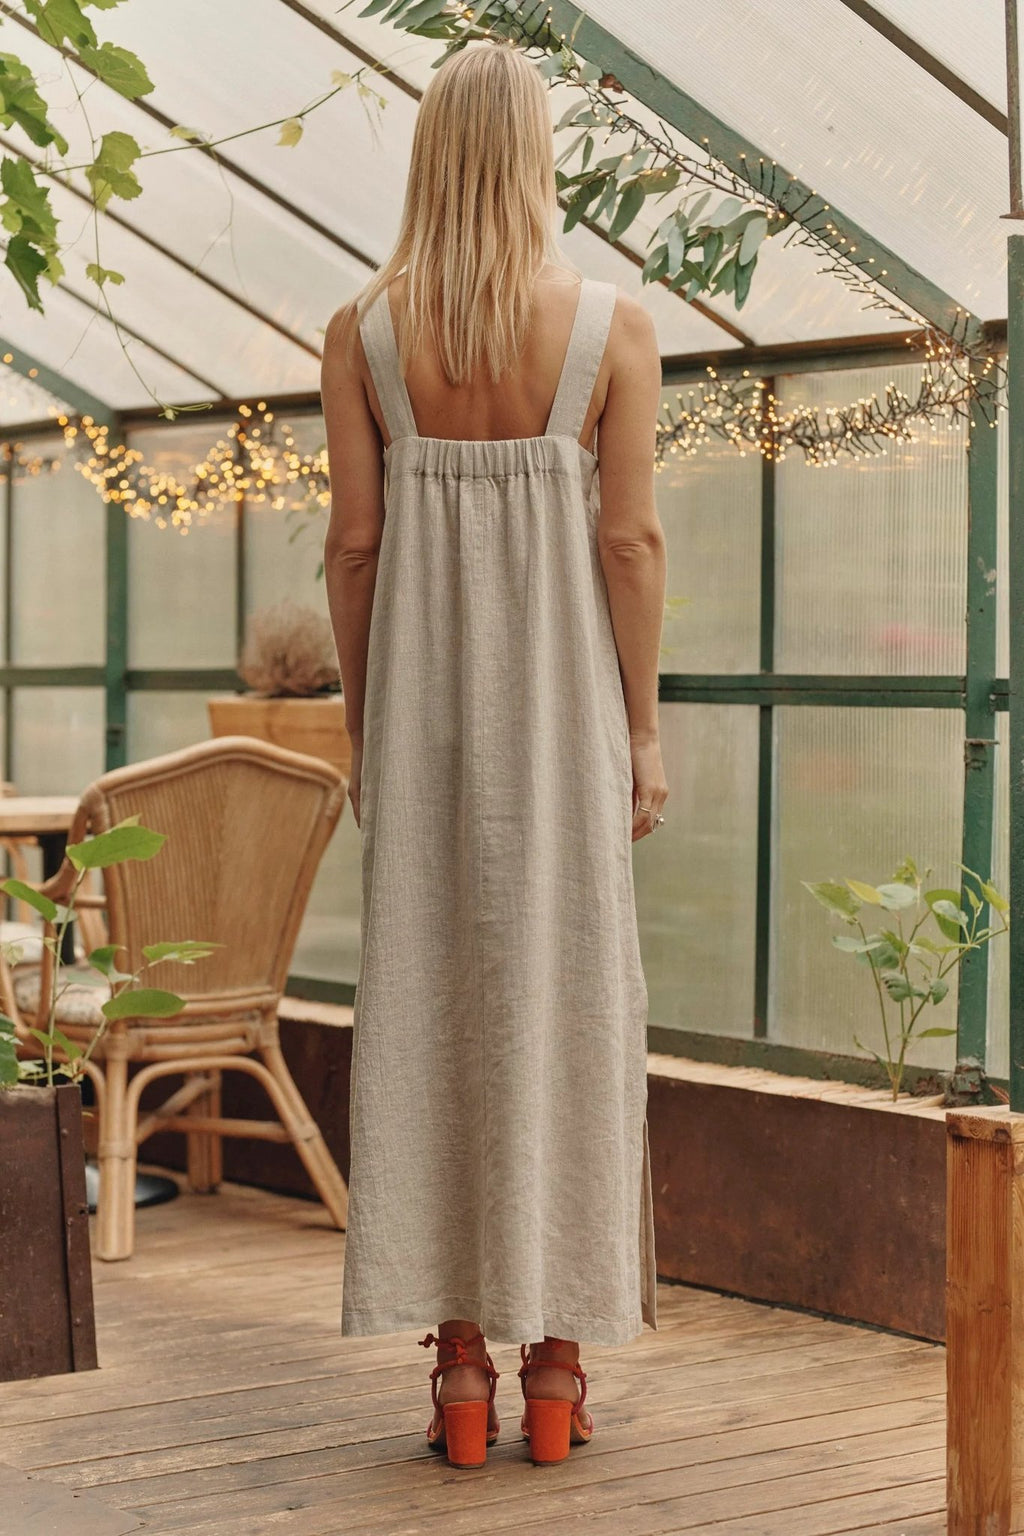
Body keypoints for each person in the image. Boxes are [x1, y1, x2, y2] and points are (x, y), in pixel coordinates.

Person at [320, 36, 668, 1470]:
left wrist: (361, 723)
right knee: (573, 1015)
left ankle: (456, 1369)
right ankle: (559, 1373)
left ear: (427, 154)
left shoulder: (362, 333)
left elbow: (354, 545)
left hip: (421, 730)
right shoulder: (612, 328)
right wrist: (642, 729)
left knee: (426, 1019)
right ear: (535, 155)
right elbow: (628, 540)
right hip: (564, 727)